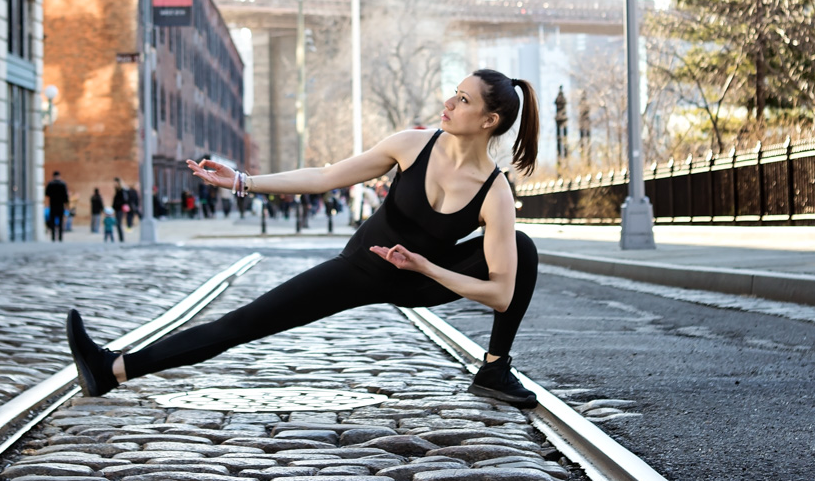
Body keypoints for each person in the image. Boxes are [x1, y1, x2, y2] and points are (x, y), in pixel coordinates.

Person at [67, 69, 542, 406]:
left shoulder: (494, 192)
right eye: (452, 93)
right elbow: (325, 175)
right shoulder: (412, 143)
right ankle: (112, 370)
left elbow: (500, 292)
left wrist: (425, 267)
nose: (449, 103)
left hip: (420, 281)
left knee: (521, 249)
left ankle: (494, 368)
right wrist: (242, 181)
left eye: (463, 100)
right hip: (359, 269)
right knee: (242, 324)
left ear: (488, 121)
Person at [45, 171, 69, 242]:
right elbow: (65, 196)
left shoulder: (50, 184)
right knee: (61, 222)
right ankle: (60, 237)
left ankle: (53, 237)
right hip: (60, 205)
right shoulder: (63, 184)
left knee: (52, 221)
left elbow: (47, 194)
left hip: (52, 205)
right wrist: (66, 204)